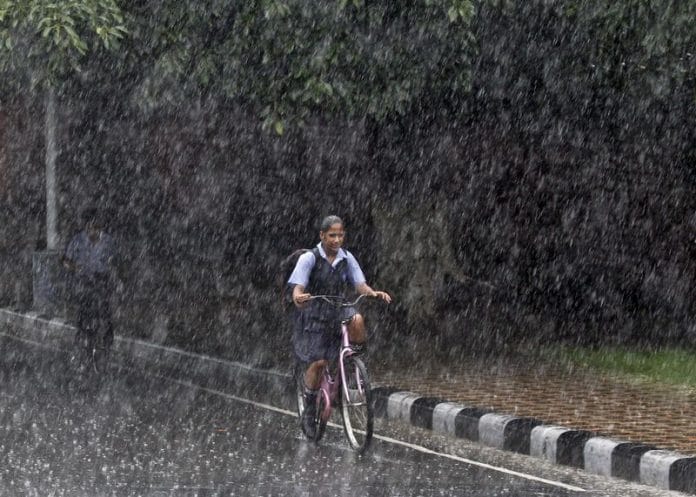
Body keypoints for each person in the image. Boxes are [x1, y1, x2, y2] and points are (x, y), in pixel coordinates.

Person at [287, 215, 391, 438]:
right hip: (315, 311)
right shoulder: (309, 258)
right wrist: (299, 296)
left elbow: (359, 284)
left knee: (357, 320)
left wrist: (373, 293)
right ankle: (309, 406)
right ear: (322, 236)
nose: (336, 240)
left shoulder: (347, 258)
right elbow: (297, 287)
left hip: (338, 307)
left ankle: (352, 360)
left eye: (340, 235)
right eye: (332, 235)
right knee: (319, 362)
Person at [62, 208, 118, 365]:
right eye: (88, 226)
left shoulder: (108, 241)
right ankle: (81, 340)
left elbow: (115, 262)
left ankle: (107, 342)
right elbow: (66, 260)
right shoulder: (78, 240)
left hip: (102, 281)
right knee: (83, 312)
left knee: (105, 312)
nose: (91, 230)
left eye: (94, 226)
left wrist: (112, 272)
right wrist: (75, 268)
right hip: (84, 281)